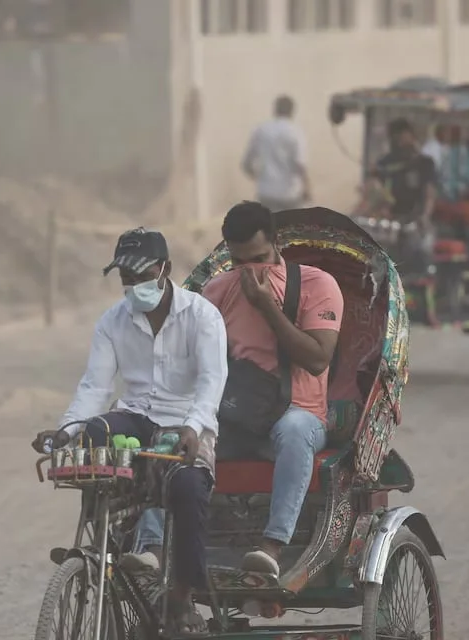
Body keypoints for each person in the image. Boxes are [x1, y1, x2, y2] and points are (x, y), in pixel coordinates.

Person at [30, 228, 228, 635]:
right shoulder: (112, 321)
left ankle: (182, 596)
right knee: (96, 432)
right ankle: (106, 550)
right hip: (136, 415)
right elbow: (95, 387)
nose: (134, 286)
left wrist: (193, 426)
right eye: (126, 278)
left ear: (166, 270)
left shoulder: (202, 316)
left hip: (187, 421)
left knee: (190, 489)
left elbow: (212, 382)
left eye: (142, 276)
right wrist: (66, 432)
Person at [134, 201, 344, 580]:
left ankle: (272, 547)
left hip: (297, 412)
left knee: (295, 431)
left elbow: (317, 359)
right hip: (234, 416)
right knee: (168, 435)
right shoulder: (217, 291)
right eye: (241, 262)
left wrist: (267, 307)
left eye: (261, 258)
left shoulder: (317, 285)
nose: (252, 272)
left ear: (278, 244)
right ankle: (151, 545)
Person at [241, 95, 311, 212]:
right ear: (292, 111)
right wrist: (307, 188)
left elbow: (246, 165)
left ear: (275, 109)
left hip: (266, 193)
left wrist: (260, 179)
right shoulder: (296, 132)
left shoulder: (261, 130)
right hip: (290, 194)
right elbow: (300, 164)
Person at [371, 118, 438, 226]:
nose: (399, 142)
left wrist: (425, 216)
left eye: (403, 136)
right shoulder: (385, 163)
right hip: (388, 218)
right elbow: (375, 187)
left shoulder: (424, 163)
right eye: (396, 137)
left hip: (415, 219)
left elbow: (429, 192)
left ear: (412, 137)